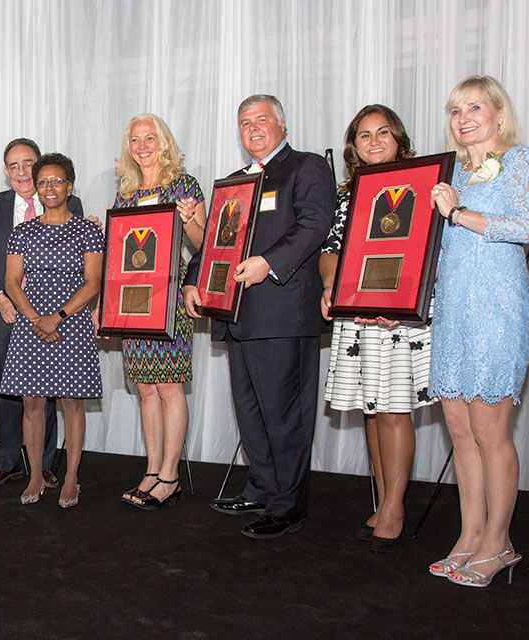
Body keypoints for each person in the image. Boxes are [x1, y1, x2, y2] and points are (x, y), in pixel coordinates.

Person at [184, 95, 335, 538]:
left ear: (282, 126)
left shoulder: (306, 167)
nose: (252, 128)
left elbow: (314, 224)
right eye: (244, 122)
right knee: (250, 411)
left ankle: (289, 505)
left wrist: (268, 262)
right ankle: (261, 487)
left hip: (283, 314)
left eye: (261, 120)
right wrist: (194, 279)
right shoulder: (233, 182)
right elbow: (215, 239)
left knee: (284, 414)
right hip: (236, 316)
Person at [426, 75, 529, 587]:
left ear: (498, 114)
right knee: (461, 429)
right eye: (455, 110)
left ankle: (500, 541)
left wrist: (457, 212)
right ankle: (470, 535)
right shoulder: (453, 173)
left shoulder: (519, 160)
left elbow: (523, 227)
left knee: (492, 431)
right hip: (453, 310)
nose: (464, 117)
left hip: (497, 308)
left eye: (474, 107)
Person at [320, 105, 436, 551]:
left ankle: (395, 508)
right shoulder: (349, 193)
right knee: (371, 408)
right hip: (357, 312)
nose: (372, 141)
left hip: (399, 314)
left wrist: (401, 298)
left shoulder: (422, 183)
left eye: (382, 133)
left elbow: (430, 247)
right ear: (354, 145)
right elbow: (332, 248)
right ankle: (386, 497)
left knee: (393, 409)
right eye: (363, 135)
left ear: (399, 138)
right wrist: (330, 285)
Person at [0, 138, 85, 488]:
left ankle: (45, 465)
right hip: (2, 315)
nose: (22, 171)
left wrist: (52, 315)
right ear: (6, 172)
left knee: (49, 389)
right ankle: (7, 462)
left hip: (51, 318)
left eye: (28, 164)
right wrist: (0, 297)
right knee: (9, 392)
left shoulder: (70, 203)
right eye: (14, 165)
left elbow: (79, 265)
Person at [113, 114, 207, 510]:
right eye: (136, 139)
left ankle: (170, 475)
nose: (143, 145)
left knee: (169, 387)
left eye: (150, 138)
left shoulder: (184, 185)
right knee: (145, 389)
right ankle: (151, 470)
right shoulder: (126, 192)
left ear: (163, 141)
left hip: (169, 300)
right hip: (134, 303)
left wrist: (189, 222)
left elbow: (203, 243)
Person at [0, 153, 103, 507]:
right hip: (31, 324)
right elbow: (12, 282)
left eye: (57, 181)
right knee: (32, 401)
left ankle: (71, 477)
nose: (49, 188)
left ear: (70, 186)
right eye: (43, 182)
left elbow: (93, 283)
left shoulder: (87, 229)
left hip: (70, 322)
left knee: (72, 401)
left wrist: (56, 317)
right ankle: (34, 476)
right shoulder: (22, 231)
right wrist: (34, 319)